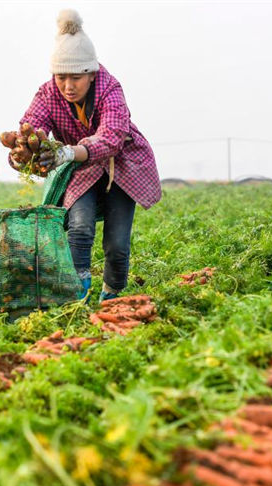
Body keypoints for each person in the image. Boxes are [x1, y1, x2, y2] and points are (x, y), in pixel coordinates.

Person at [10, 9, 161, 302]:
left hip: (122, 165)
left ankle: (112, 294)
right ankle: (76, 293)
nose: (68, 86)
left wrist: (68, 151)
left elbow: (111, 138)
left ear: (91, 74)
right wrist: (22, 153)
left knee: (117, 245)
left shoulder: (109, 88)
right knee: (79, 228)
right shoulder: (47, 94)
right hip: (81, 168)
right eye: (61, 77)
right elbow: (31, 127)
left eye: (76, 77)